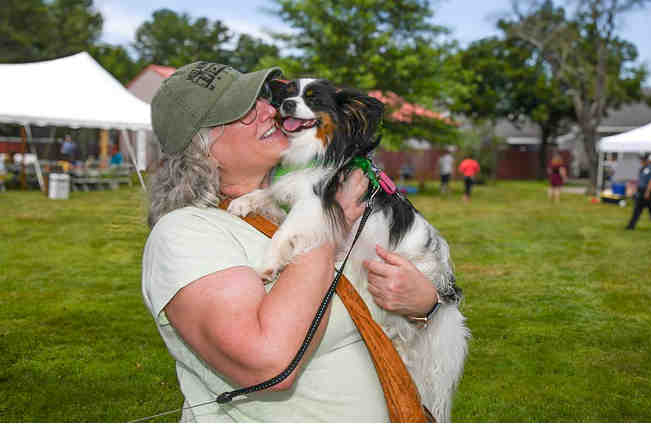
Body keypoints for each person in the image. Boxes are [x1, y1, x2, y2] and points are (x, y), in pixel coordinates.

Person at [142, 61, 443, 422]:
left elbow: (385, 318)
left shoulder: (287, 206)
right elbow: (268, 365)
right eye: (245, 112)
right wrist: (329, 220)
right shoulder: (185, 233)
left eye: (263, 100)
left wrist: (423, 305)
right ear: (202, 147)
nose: (270, 110)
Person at [626, 154, 651, 231]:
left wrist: (647, 192)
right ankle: (631, 226)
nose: (641, 162)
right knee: (638, 209)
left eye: (643, 160)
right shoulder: (642, 169)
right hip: (642, 190)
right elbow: (640, 181)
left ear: (647, 161)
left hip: (649, 191)